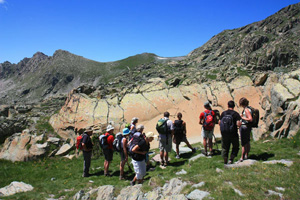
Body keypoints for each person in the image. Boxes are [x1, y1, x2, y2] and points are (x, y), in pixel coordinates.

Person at [239, 97, 253, 162]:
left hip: (244, 127)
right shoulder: (249, 108)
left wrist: (242, 117)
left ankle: (242, 157)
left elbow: (250, 119)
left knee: (243, 143)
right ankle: (246, 155)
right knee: (247, 141)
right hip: (248, 127)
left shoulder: (246, 110)